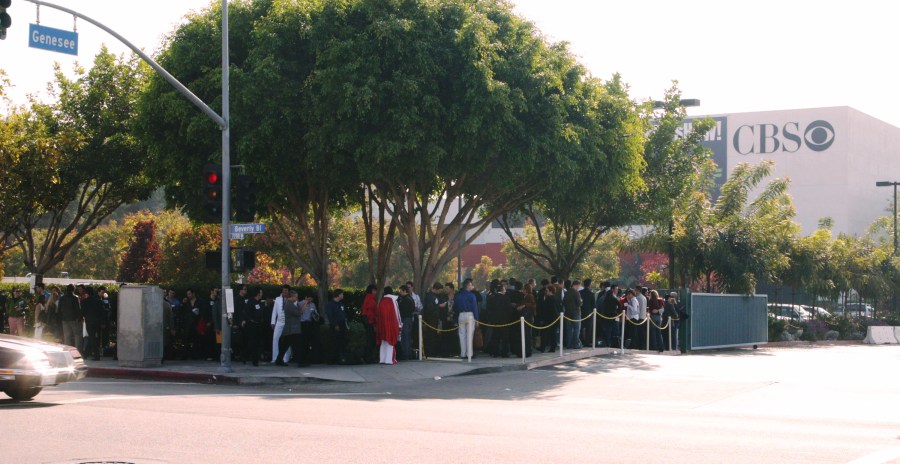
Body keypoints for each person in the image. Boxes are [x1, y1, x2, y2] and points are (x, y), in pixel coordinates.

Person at [275, 291, 306, 367]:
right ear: (291, 297)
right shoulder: (289, 304)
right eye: (295, 297)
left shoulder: (290, 304)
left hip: (290, 329)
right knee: (297, 346)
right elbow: (298, 313)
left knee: (284, 346)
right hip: (292, 329)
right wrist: (304, 306)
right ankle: (300, 362)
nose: (296, 298)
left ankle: (279, 360)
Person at [454, 279, 478, 362]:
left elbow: (455, 308)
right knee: (469, 335)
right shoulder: (472, 295)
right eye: (471, 285)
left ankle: (463, 353)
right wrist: (477, 318)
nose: (472, 286)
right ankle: (469, 354)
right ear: (468, 286)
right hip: (470, 315)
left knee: (462, 335)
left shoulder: (458, 295)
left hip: (461, 315)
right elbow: (475, 307)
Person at [375, 286, 401, 365]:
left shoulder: (382, 301)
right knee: (391, 342)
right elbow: (397, 314)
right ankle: (389, 360)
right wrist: (399, 325)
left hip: (382, 325)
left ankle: (382, 359)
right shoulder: (393, 300)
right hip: (391, 324)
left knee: (383, 341)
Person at [241, 288, 266, 366]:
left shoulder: (260, 302)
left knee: (258, 343)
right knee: (252, 343)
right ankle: (251, 359)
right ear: (258, 294)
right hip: (252, 325)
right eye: (261, 293)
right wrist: (246, 320)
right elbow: (246, 312)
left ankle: (255, 358)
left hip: (259, 325)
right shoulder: (251, 301)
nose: (262, 294)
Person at [270, 285, 292, 364]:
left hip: (288, 322)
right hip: (279, 321)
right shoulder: (278, 299)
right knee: (275, 338)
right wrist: (273, 322)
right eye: (283, 290)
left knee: (287, 340)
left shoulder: (291, 299)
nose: (284, 292)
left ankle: (286, 358)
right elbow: (274, 311)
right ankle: (275, 357)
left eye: (286, 290)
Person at [82, 287, 106, 360]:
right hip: (97, 322)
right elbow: (102, 312)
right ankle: (86, 354)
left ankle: (96, 354)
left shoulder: (85, 302)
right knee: (91, 337)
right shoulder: (98, 301)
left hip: (89, 321)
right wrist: (103, 322)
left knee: (91, 337)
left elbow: (83, 312)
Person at [423, 283, 445, 358]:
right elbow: (429, 308)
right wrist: (439, 306)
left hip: (434, 319)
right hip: (430, 319)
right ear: (436, 289)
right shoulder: (430, 296)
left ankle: (433, 351)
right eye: (439, 290)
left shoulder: (434, 296)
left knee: (434, 335)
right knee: (431, 335)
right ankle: (430, 352)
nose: (440, 292)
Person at [326, 290, 348, 364]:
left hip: (342, 323)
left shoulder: (341, 304)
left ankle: (341, 358)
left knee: (342, 341)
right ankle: (332, 359)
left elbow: (343, 314)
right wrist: (335, 324)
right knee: (334, 341)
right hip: (335, 324)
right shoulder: (330, 304)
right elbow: (330, 315)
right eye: (342, 294)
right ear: (338, 295)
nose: (343, 296)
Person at [58, 284, 83, 350]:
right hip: (74, 319)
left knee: (67, 336)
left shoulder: (62, 298)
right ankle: (77, 350)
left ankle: (67, 350)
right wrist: (80, 318)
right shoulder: (75, 298)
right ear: (73, 289)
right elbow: (78, 309)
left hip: (64, 319)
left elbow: (59, 309)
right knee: (77, 335)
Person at [299, 295, 321, 364]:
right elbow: (299, 313)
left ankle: (309, 358)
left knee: (309, 342)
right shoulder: (300, 303)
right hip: (302, 323)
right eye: (309, 299)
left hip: (310, 324)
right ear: (306, 298)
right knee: (303, 342)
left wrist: (316, 315)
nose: (310, 301)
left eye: (311, 299)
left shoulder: (313, 305)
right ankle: (302, 359)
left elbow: (315, 314)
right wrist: (305, 303)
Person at [396, 285, 415, 361]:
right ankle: (408, 354)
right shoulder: (410, 298)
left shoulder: (405, 300)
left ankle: (406, 355)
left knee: (405, 337)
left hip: (405, 319)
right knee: (407, 337)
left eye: (401, 291)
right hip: (409, 319)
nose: (400, 292)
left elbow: (402, 310)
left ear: (404, 291)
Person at [563, 279, 583, 349]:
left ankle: (569, 344)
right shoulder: (576, 293)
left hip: (568, 313)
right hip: (576, 313)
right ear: (577, 285)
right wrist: (581, 301)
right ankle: (576, 344)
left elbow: (564, 303)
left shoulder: (567, 292)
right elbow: (579, 303)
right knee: (577, 329)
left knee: (569, 330)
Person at [361, 284, 378, 362]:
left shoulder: (367, 298)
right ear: (372, 290)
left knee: (369, 340)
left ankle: (367, 357)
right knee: (371, 340)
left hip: (368, 321)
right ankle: (368, 357)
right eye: (374, 290)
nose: (375, 292)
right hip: (370, 322)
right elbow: (371, 312)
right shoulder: (371, 299)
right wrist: (374, 322)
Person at [579, 279, 595, 347]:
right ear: (589, 285)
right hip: (589, 313)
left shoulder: (580, 292)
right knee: (589, 328)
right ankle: (587, 342)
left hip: (581, 312)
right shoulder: (591, 294)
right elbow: (593, 305)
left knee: (580, 327)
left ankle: (581, 340)